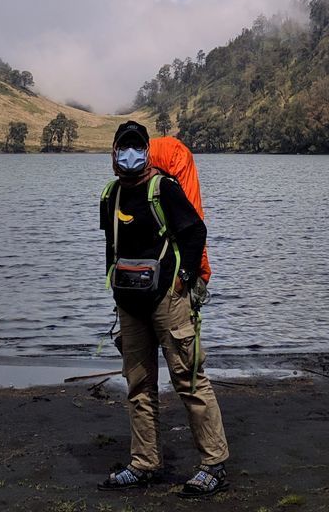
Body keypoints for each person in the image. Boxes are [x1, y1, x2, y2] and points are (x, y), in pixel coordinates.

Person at [99, 121, 229, 497]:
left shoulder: (164, 189)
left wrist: (184, 279)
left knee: (188, 379)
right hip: (129, 304)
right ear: (113, 155)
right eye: (123, 147)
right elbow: (112, 245)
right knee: (138, 385)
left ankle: (214, 464)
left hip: (168, 302)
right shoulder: (110, 196)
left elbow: (195, 232)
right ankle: (143, 464)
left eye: (136, 146)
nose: (129, 154)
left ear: (147, 152)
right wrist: (115, 290)